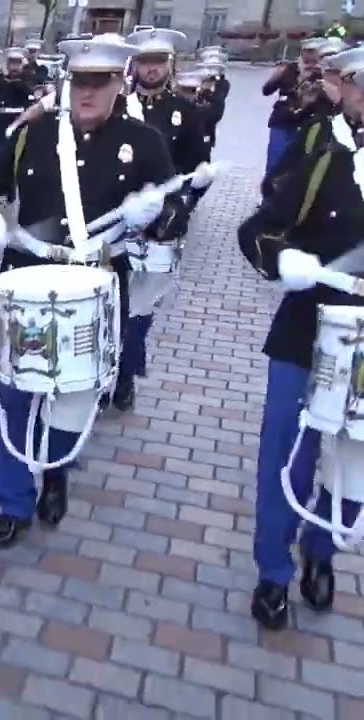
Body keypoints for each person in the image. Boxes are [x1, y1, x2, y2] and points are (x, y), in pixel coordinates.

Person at [0, 35, 188, 548]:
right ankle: (13, 502)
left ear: (118, 84)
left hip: (98, 282)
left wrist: (157, 215)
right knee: (14, 392)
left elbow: (175, 205)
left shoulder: (144, 141)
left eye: (99, 83)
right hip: (30, 277)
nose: (87, 92)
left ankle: (56, 469)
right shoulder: (35, 135)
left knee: (75, 396)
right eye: (79, 81)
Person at [238, 45, 364, 632]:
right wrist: (285, 260)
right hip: (307, 328)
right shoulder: (322, 159)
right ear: (348, 90)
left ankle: (322, 550)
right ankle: (273, 569)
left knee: (356, 456)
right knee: (288, 453)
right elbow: (259, 229)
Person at [116, 28, 211, 412]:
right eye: (145, 61)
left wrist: (183, 205)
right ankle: (111, 369)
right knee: (111, 299)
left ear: (170, 65)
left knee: (141, 305)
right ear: (135, 65)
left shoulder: (186, 112)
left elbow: (198, 171)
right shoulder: (119, 106)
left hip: (161, 223)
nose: (151, 69)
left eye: (158, 62)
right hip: (116, 217)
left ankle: (125, 375)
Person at [263, 37, 325, 175]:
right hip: (281, 119)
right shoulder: (290, 69)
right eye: (306, 58)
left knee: (298, 165)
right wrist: (275, 77)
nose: (309, 63)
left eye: (313, 59)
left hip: (306, 122)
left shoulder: (322, 74)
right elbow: (266, 91)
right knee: (275, 161)